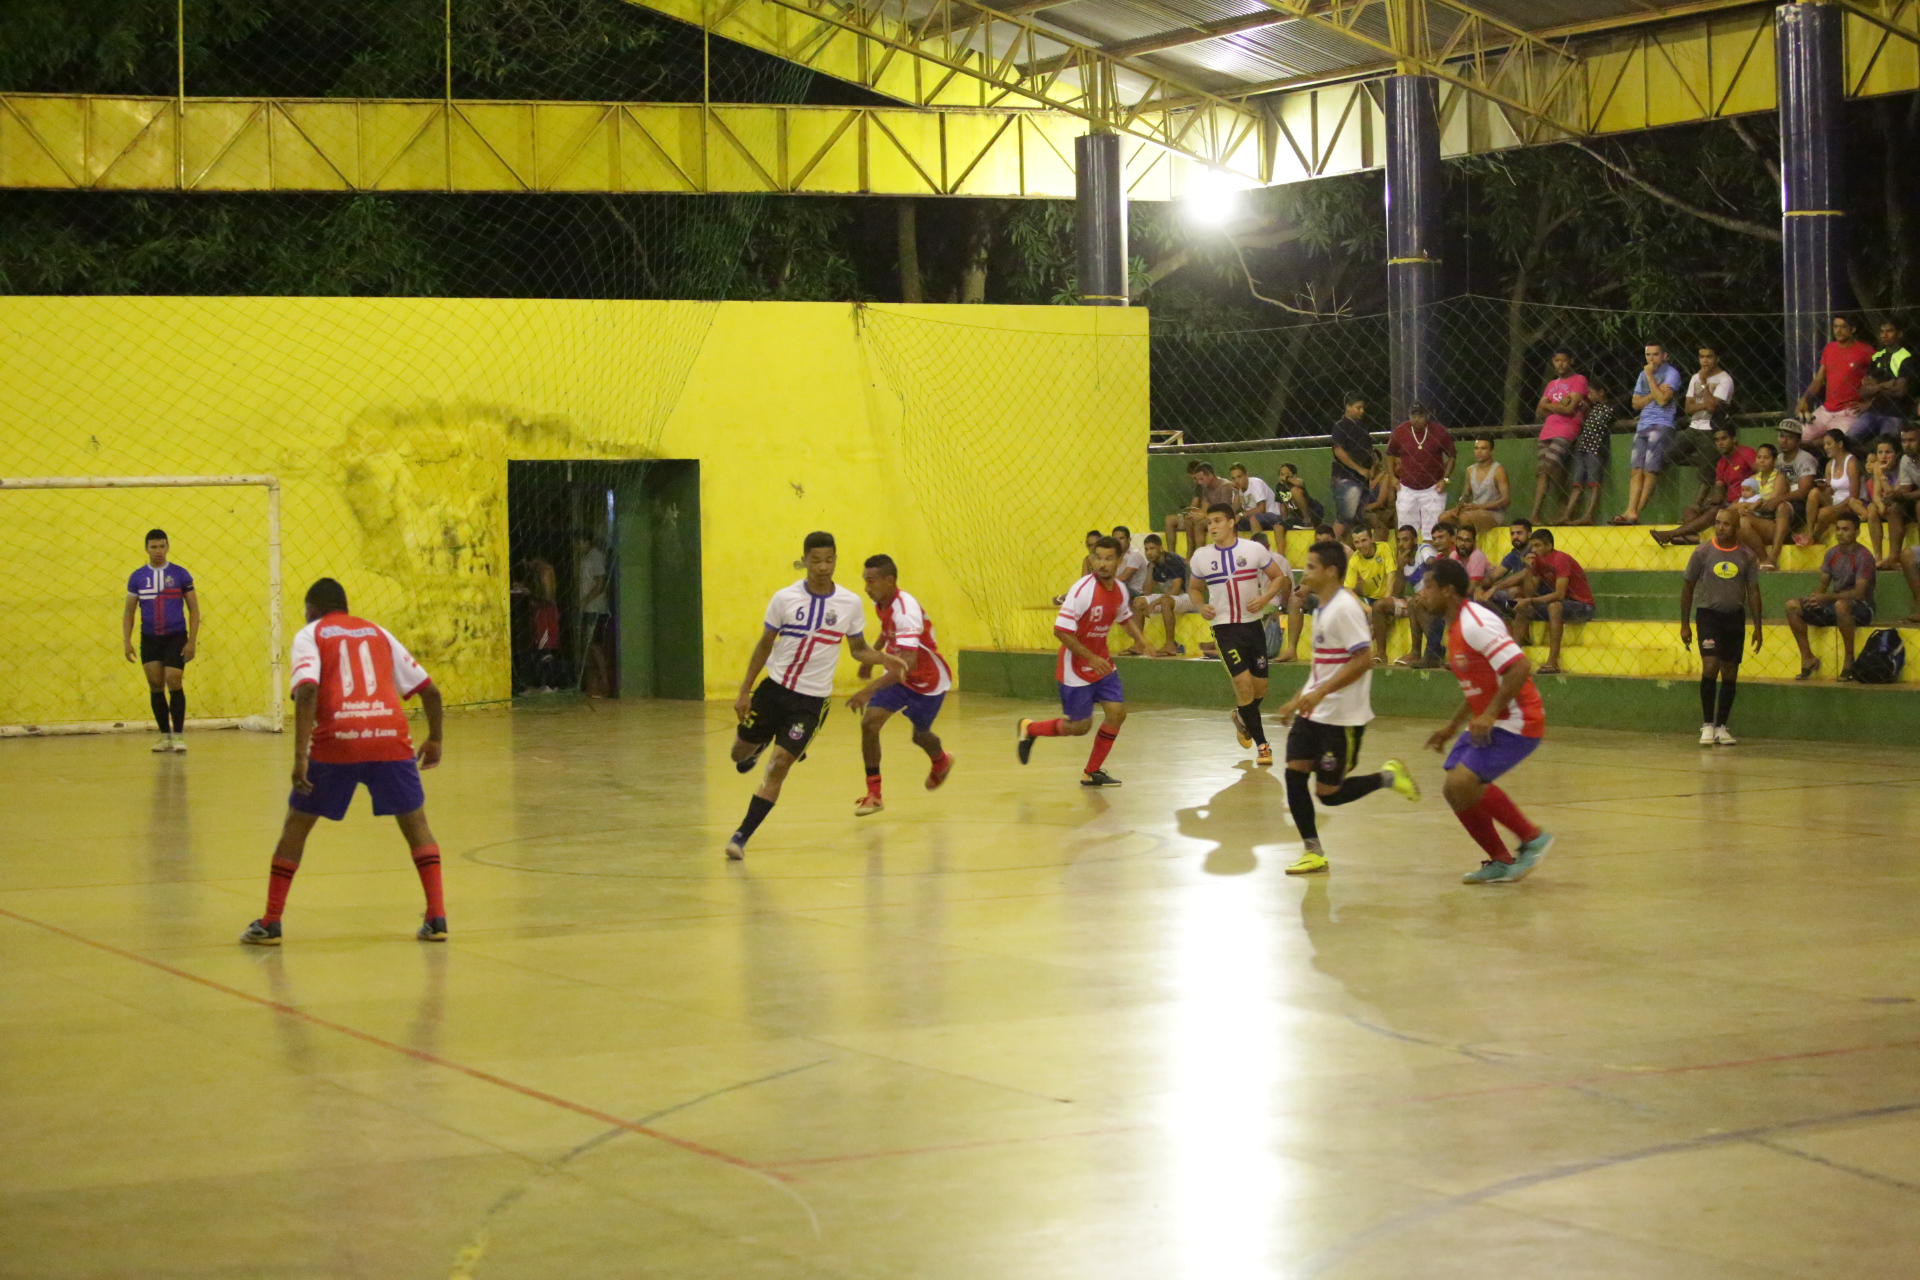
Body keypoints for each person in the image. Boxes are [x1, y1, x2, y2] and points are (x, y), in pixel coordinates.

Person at [239, 578, 446, 945]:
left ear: (312, 609)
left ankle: (271, 921)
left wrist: (300, 755)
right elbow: (430, 690)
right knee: (416, 825)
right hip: (389, 738)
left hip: (338, 740)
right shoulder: (377, 631)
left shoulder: (311, 634)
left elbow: (307, 690)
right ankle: (437, 917)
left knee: (296, 826)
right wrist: (436, 738)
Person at [726, 533, 903, 859]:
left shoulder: (849, 603)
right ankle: (757, 746)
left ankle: (741, 836)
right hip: (773, 690)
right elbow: (765, 645)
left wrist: (883, 658)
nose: (823, 567)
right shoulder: (784, 599)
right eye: (816, 560)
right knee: (738, 754)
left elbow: (859, 649)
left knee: (779, 766)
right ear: (805, 560)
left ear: (835, 560)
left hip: (810, 702)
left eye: (830, 560)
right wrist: (743, 691)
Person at [1273, 538, 1420, 876]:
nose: (1305, 573)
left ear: (1331, 571)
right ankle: (1313, 851)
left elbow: (1364, 659)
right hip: (1314, 711)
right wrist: (1299, 698)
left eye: (1311, 567)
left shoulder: (1345, 607)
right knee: (1294, 776)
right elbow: (1324, 664)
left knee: (1329, 794)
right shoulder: (1323, 606)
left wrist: (1321, 692)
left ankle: (1387, 777)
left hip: (1342, 718)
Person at [1417, 557, 1554, 884]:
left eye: (1428, 587)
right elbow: (1477, 684)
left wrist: (1491, 713)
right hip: (1491, 717)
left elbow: (1520, 667)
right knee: (1455, 789)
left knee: (1463, 782)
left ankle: (1532, 838)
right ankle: (1501, 860)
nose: (1421, 594)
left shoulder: (1476, 622)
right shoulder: (1455, 627)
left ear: (1449, 591)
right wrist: (1451, 727)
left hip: (1518, 719)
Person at [1018, 536, 1151, 787]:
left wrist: (1142, 641)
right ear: (1091, 559)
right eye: (1097, 557)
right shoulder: (1082, 591)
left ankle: (1091, 771)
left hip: (1103, 664)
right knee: (1080, 726)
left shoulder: (1120, 590)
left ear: (1119, 562)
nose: (1102, 563)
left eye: (1109, 558)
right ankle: (1030, 729)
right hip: (1076, 667)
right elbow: (1061, 631)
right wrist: (1090, 657)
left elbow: (1124, 617)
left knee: (1117, 713)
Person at [846, 555, 955, 817]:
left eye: (871, 581)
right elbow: (887, 630)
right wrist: (874, 654)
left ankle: (941, 760)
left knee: (920, 735)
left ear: (889, 580)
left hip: (927, 680)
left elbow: (906, 664)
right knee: (870, 723)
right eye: (865, 581)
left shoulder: (906, 611)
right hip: (898, 676)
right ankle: (875, 794)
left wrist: (867, 689)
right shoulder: (883, 602)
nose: (866, 588)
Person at [1187, 504, 1290, 765]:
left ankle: (1242, 716)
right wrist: (1201, 606)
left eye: (1218, 521)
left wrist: (1265, 597)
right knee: (1243, 686)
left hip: (1253, 626)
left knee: (1260, 687)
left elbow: (1279, 578)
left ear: (1232, 522)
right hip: (1224, 629)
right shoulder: (1201, 556)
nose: (1212, 527)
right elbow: (1194, 589)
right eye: (1209, 522)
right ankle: (1263, 746)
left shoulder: (1253, 549)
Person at [1680, 506, 1763, 747]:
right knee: (1710, 664)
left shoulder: (1746, 556)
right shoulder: (1702, 552)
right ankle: (1707, 724)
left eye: (1726, 524)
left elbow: (1753, 591)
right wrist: (1685, 624)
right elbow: (1687, 587)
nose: (1720, 527)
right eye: (1717, 522)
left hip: (1734, 617)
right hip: (1708, 615)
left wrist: (1758, 626)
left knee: (1730, 670)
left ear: (1736, 528)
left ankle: (1722, 727)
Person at [123, 528, 199, 753]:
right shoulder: (137, 577)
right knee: (155, 683)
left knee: (173, 679)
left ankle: (178, 735)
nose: (158, 551)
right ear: (146, 549)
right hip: (150, 638)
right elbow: (129, 612)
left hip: (176, 636)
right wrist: (126, 641)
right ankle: (164, 735)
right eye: (153, 547)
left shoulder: (180, 574)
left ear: (168, 547)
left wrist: (192, 641)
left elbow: (194, 609)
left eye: (162, 546)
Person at [1785, 512, 1876, 680]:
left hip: (1862, 608)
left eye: (1846, 529)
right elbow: (1823, 584)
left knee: (1842, 605)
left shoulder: (1864, 556)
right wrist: (1816, 597)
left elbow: (1859, 593)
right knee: (1792, 605)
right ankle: (1808, 659)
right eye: (1838, 529)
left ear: (1857, 532)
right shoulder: (1832, 553)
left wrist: (1826, 598)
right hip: (1835, 604)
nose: (1840, 533)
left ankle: (1849, 660)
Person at [1613, 341, 1684, 525]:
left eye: (1655, 354)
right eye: (1648, 355)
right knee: (1636, 469)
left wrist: (1650, 378)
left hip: (1662, 424)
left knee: (1650, 469)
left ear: (1664, 355)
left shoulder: (1671, 374)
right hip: (1643, 424)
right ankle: (1629, 509)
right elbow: (1635, 404)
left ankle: (1636, 511)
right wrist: (1655, 392)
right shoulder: (1642, 374)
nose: (1651, 359)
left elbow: (1662, 401)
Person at [1650, 424, 1755, 547]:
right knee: (1691, 509)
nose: (1720, 443)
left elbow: (1761, 476)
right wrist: (1712, 499)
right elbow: (1719, 491)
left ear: (1734, 439)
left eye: (1724, 439)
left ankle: (1670, 535)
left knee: (1716, 512)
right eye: (1717, 440)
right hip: (1727, 504)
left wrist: (1745, 498)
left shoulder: (1747, 453)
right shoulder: (1721, 463)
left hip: (1744, 503)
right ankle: (1692, 536)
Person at [1509, 528, 1594, 674]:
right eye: (1532, 546)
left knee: (1554, 606)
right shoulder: (1537, 561)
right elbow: (1530, 591)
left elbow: (1559, 594)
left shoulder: (1560, 559)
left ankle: (1553, 661)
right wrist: (1529, 570)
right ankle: (1513, 660)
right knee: (1523, 608)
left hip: (1582, 606)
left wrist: (1529, 600)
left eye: (1538, 545)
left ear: (1549, 546)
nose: (1533, 549)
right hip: (1560, 605)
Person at [1744, 421, 1822, 569]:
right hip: (1775, 502)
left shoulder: (1805, 458)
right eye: (1781, 436)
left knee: (1783, 506)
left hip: (1799, 505)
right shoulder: (1777, 459)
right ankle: (1761, 558)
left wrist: (1779, 498)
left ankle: (1775, 553)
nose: (1783, 440)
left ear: (1798, 440)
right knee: (1743, 520)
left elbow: (1804, 491)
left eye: (1789, 437)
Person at [1668, 344, 1735, 503]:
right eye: (1701, 356)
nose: (1704, 361)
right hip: (1693, 426)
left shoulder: (1725, 380)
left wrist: (1704, 384)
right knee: (1668, 455)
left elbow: (1712, 406)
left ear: (1717, 358)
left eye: (1709, 357)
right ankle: (1706, 461)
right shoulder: (1694, 377)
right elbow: (1688, 408)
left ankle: (1696, 506)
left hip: (1711, 428)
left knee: (1706, 476)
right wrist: (1704, 404)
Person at [1797, 314, 1875, 442]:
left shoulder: (1866, 351)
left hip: (1848, 412)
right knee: (1799, 437)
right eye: (1835, 327)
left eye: (1843, 327)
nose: (1838, 331)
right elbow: (1819, 379)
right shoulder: (1830, 348)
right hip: (1826, 409)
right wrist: (1805, 399)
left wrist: (1870, 403)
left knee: (1834, 443)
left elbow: (1879, 379)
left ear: (1853, 329)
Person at [1385, 402, 1456, 541]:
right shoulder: (1400, 431)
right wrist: (1392, 477)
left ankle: (1432, 561)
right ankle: (1409, 561)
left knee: (1433, 533)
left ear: (1427, 416)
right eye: (1413, 415)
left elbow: (1452, 456)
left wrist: (1445, 479)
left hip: (1433, 488)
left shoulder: (1439, 432)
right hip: (1406, 488)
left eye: (1420, 415)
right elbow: (1388, 454)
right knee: (1406, 533)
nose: (1416, 419)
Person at [1532, 349, 1588, 523]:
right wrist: (1560, 404)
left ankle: (1565, 503)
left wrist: (1550, 405)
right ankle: (1535, 514)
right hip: (1548, 429)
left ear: (1571, 360)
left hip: (1567, 428)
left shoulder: (1579, 379)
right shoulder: (1551, 384)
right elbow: (1539, 411)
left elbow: (1570, 409)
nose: (1560, 364)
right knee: (1543, 471)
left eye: (1563, 360)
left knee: (1549, 466)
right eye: (1556, 361)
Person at [1374, 524, 1436, 667]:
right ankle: (1381, 654)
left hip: (1432, 598)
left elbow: (1433, 563)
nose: (1402, 544)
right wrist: (1400, 568)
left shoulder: (1424, 550)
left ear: (1414, 540)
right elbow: (1397, 594)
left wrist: (1426, 591)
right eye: (1399, 540)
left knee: (1414, 602)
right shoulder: (1403, 559)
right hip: (1416, 601)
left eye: (1406, 540)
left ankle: (1415, 653)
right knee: (1380, 606)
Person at [1560, 381, 1616, 525]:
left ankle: (1589, 515)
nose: (1589, 396)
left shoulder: (1610, 408)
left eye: (1591, 393)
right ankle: (1567, 514)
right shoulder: (1590, 409)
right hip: (1582, 446)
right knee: (1577, 482)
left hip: (1596, 447)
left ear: (1601, 392)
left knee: (1594, 482)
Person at [1854, 318, 1912, 444]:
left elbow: (1900, 391)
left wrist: (1875, 387)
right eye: (1882, 331)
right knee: (1847, 439)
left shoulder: (1906, 357)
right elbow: (1863, 391)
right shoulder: (1877, 356)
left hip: (1895, 412)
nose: (1884, 335)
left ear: (1900, 334)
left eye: (1889, 331)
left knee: (1887, 444)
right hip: (1873, 410)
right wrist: (1886, 385)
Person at [1328, 393, 1377, 540]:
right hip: (1346, 477)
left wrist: (1372, 468)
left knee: (1358, 518)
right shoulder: (1341, 426)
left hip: (1362, 478)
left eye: (1363, 407)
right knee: (1345, 517)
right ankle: (1326, 547)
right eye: (1358, 407)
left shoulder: (1362, 426)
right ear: (1348, 407)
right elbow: (1339, 450)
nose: (1362, 411)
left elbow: (1370, 451)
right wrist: (1359, 469)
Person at [1165, 461, 1239, 558]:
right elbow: (1205, 507)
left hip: (1223, 517)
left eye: (1201, 479)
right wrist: (1197, 515)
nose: (1199, 482)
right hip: (1211, 516)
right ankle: (1189, 555)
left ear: (1211, 476)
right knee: (1189, 519)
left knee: (1199, 525)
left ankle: (1200, 556)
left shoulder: (1224, 486)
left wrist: (1203, 516)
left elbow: (1223, 511)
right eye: (1198, 479)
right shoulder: (1206, 488)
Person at [1137, 534, 1195, 656]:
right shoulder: (1153, 564)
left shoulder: (1172, 560)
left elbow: (1177, 589)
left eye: (1152, 548)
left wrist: (1153, 603)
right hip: (1169, 598)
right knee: (1138, 601)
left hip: (1188, 597)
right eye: (1146, 549)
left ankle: (1170, 645)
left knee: (1164, 601)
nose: (1149, 552)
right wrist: (1150, 569)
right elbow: (1147, 591)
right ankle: (1139, 643)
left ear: (1161, 548)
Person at [1440, 437, 1509, 533]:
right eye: (1476, 448)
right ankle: (1454, 545)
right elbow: (1465, 494)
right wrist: (1458, 508)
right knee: (1443, 518)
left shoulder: (1498, 470)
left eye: (1483, 448)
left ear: (1491, 451)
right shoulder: (1470, 470)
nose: (1479, 451)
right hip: (1473, 510)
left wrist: (1479, 507)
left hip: (1493, 513)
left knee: (1465, 518)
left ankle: (1468, 545)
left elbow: (1506, 500)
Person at [1805, 429, 1863, 542]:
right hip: (1835, 501)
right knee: (1814, 493)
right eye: (1824, 444)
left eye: (1828, 444)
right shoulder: (1829, 464)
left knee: (1824, 513)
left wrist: (1834, 508)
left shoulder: (1851, 462)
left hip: (1851, 505)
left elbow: (1854, 496)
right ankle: (1809, 532)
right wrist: (1824, 488)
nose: (1825, 447)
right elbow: (1831, 492)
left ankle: (1815, 537)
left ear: (1840, 444)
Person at [573, 530, 612, 697]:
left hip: (595, 609)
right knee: (588, 647)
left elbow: (600, 584)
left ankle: (605, 685)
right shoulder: (585, 558)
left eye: (578, 542)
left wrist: (585, 601)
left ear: (587, 541)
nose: (576, 546)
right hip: (588, 608)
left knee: (595, 646)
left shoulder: (596, 557)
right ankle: (592, 685)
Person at [1474, 518, 1536, 616]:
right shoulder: (1514, 554)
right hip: (1512, 596)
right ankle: (1503, 620)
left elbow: (1521, 575)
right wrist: (1480, 588)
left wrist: (1495, 588)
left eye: (1519, 533)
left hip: (1535, 596)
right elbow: (1494, 576)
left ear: (1529, 535)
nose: (1515, 536)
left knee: (1513, 591)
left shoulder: (1535, 552)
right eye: (1512, 534)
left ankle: (1509, 617)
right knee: (1480, 596)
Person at [1863, 438, 1902, 561]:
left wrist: (1882, 474)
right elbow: (1876, 495)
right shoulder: (1877, 467)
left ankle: (1893, 556)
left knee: (1892, 508)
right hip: (1885, 502)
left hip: (1900, 502)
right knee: (1871, 509)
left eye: (1888, 452)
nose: (1883, 456)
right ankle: (1878, 556)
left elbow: (1892, 493)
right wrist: (1880, 505)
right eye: (1880, 452)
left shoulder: (1901, 466)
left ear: (1896, 453)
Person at [1228, 464, 1282, 537]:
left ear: (1246, 475)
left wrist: (1242, 515)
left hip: (1272, 515)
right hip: (1250, 518)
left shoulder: (1256, 483)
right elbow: (1235, 509)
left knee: (1254, 519)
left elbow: (1261, 509)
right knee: (1230, 522)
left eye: (1239, 477)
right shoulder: (1236, 488)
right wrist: (1237, 493)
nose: (1236, 481)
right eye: (1233, 478)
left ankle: (1259, 545)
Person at [1344, 526, 1392, 606]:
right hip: (1370, 599)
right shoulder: (1354, 560)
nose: (1361, 545)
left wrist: (1386, 600)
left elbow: (1391, 574)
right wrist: (1367, 609)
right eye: (1356, 542)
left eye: (1364, 540)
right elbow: (1348, 589)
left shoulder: (1384, 548)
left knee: (1380, 608)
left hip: (1390, 596)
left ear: (1372, 539)